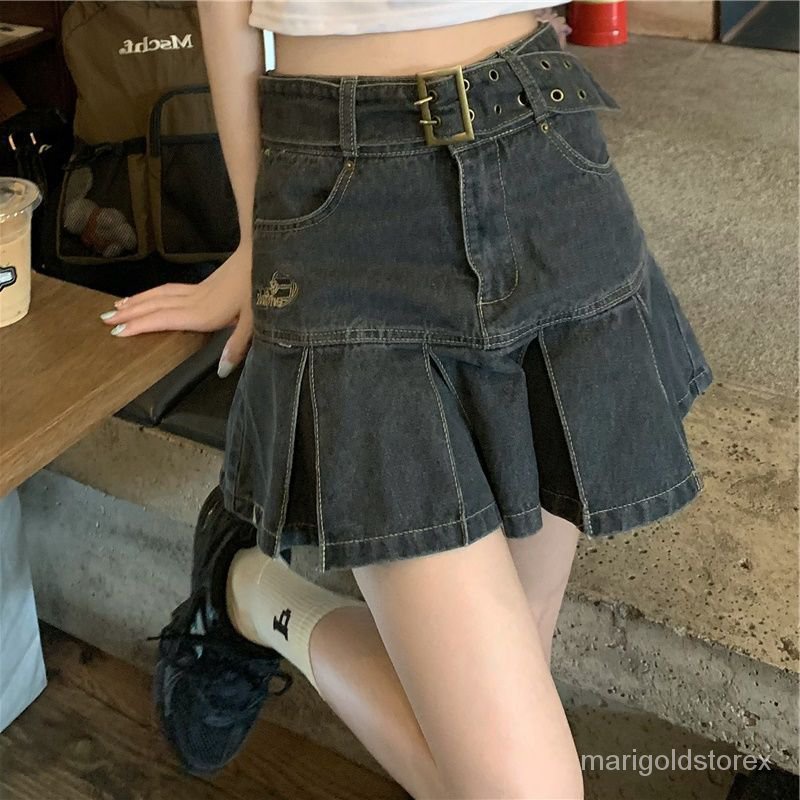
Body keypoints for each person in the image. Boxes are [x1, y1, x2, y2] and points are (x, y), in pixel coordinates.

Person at [102, 2, 714, 797]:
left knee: (501, 695)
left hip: (545, 147)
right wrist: (259, 238)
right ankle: (253, 591)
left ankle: (252, 591)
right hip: (346, 191)